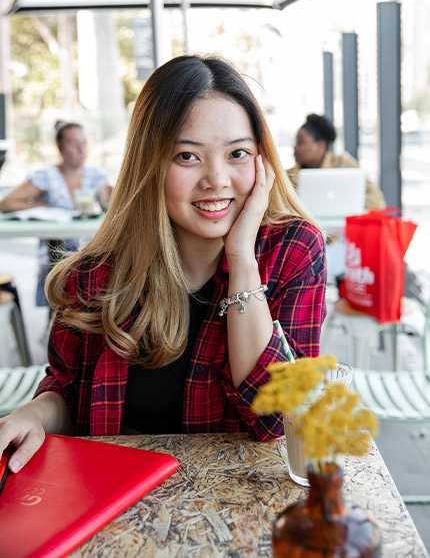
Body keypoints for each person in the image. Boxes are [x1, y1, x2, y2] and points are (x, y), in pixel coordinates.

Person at [0, 55, 327, 474]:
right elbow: (67, 392)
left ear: (262, 162)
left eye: (237, 153)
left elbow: (278, 418)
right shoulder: (96, 274)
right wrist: (35, 413)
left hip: (238, 503)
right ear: (149, 163)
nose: (216, 179)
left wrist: (242, 260)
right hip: (115, 499)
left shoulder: (293, 250)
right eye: (188, 156)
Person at [0, 121, 112, 306]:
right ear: (60, 148)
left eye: (84, 143)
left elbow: (107, 205)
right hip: (59, 256)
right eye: (74, 144)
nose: (81, 149)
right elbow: (5, 203)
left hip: (94, 251)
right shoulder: (48, 176)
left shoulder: (95, 175)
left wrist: (109, 196)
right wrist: (44, 206)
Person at [288, 113, 386, 211]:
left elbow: (378, 201)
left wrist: (342, 200)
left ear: (320, 146)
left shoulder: (344, 165)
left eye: (300, 142)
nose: (295, 147)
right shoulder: (288, 176)